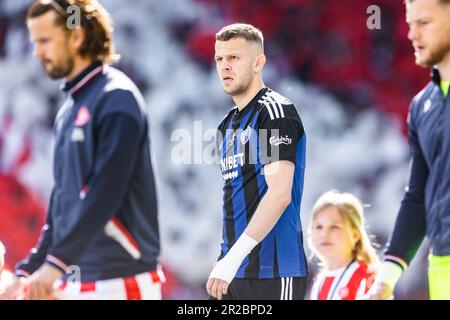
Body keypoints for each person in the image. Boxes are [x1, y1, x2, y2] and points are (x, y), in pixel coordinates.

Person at [1, 0, 163, 300]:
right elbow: (62, 204)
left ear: (76, 37)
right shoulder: (69, 110)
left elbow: (106, 192)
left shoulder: (118, 98)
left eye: (45, 41)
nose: (37, 52)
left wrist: (54, 265)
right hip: (77, 278)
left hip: (120, 279)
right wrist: (28, 270)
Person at [206, 23, 308, 300]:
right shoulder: (226, 126)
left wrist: (233, 257)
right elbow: (237, 200)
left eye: (234, 57)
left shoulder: (275, 111)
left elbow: (279, 194)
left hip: (274, 274)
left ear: (258, 62)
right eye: (219, 59)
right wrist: (226, 259)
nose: (224, 66)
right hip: (233, 272)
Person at [367, 0, 450, 300]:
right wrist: (385, 279)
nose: (412, 34)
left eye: (424, 23)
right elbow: (418, 196)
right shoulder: (421, 106)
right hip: (442, 268)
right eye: (410, 23)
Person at [308, 191, 379, 300]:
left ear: (355, 235)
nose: (324, 234)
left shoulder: (367, 276)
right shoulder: (319, 282)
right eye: (319, 227)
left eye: (334, 227)